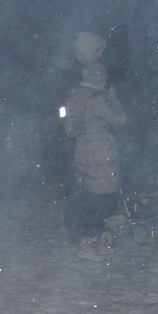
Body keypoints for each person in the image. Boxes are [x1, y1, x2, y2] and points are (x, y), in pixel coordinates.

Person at [63, 61, 126, 261]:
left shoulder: (73, 95)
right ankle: (88, 241)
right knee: (103, 199)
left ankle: (91, 239)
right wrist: (114, 99)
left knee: (88, 195)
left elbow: (68, 128)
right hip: (101, 154)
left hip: (82, 152)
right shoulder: (98, 99)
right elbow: (120, 120)